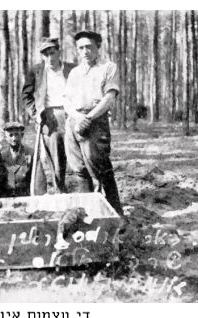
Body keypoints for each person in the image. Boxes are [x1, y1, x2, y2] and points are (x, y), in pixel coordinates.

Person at [63, 31, 123, 216]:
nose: (85, 51)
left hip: (96, 121)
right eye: (81, 47)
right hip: (74, 121)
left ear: (98, 47)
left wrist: (88, 118)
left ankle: (117, 215)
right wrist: (76, 117)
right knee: (79, 170)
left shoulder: (108, 67)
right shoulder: (75, 72)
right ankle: (88, 214)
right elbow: (67, 100)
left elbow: (109, 98)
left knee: (101, 168)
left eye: (89, 46)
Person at [22, 37, 76, 195]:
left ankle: (87, 191)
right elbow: (26, 95)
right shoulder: (37, 71)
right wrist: (35, 113)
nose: (50, 58)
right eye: (45, 55)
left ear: (59, 52)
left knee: (78, 154)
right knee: (55, 156)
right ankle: (59, 190)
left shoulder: (72, 69)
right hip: (49, 116)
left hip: (71, 114)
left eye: (52, 53)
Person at [1, 122, 33, 197]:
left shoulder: (30, 152)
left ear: (22, 135)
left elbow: (38, 178)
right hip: (7, 196)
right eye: (11, 135)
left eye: (16, 134)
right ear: (6, 138)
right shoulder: (2, 155)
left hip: (25, 195)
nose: (14, 138)